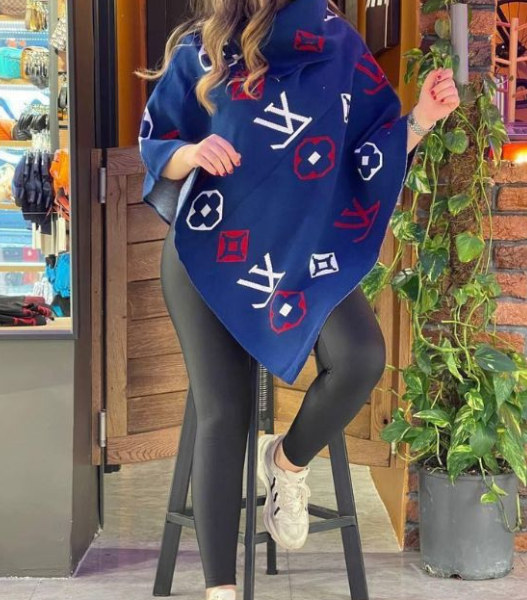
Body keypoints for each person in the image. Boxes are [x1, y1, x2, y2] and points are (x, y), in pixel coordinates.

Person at [138, 1, 459, 598]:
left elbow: (369, 148)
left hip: (305, 252)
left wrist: (421, 119)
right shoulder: (202, 49)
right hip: (211, 249)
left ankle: (285, 463)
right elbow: (157, 140)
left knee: (361, 357)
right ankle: (219, 590)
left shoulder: (338, 44)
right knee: (222, 413)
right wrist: (192, 154)